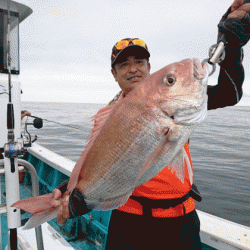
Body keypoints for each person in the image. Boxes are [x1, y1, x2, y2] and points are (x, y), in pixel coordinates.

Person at [52, 1, 250, 249]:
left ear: (149, 66)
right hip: (131, 222)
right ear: (114, 73)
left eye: (139, 61)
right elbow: (95, 161)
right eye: (124, 64)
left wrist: (231, 46)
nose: (133, 69)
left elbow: (229, 94)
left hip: (182, 220)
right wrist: (73, 190)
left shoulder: (177, 101)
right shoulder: (106, 115)